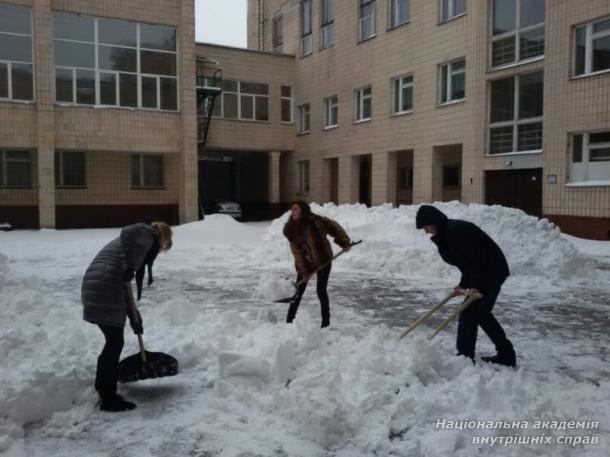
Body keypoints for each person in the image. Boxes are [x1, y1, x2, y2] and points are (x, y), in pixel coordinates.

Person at [81, 221, 173, 412]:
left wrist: (134, 318)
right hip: (104, 285)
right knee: (114, 343)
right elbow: (128, 231)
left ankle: (103, 387)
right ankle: (108, 398)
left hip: (97, 284)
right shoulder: (147, 234)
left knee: (113, 342)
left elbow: (124, 284)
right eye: (164, 246)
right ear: (162, 238)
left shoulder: (135, 246)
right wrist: (131, 265)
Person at [415, 205, 516, 367]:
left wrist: (474, 285)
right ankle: (506, 354)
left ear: (433, 221)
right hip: (487, 271)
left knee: (468, 312)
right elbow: (466, 263)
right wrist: (463, 284)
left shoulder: (456, 231)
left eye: (426, 226)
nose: (426, 231)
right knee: (481, 313)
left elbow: (477, 258)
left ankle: (465, 358)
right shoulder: (446, 234)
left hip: (491, 271)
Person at [283, 201, 352, 328]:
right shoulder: (290, 229)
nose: (293, 212)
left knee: (321, 290)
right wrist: (304, 271)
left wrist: (344, 242)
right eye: (292, 210)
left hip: (323, 258)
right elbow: (297, 252)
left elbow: (334, 227)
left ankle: (325, 323)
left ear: (303, 210)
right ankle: (289, 321)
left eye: (295, 209)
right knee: (298, 290)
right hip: (306, 262)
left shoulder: (316, 221)